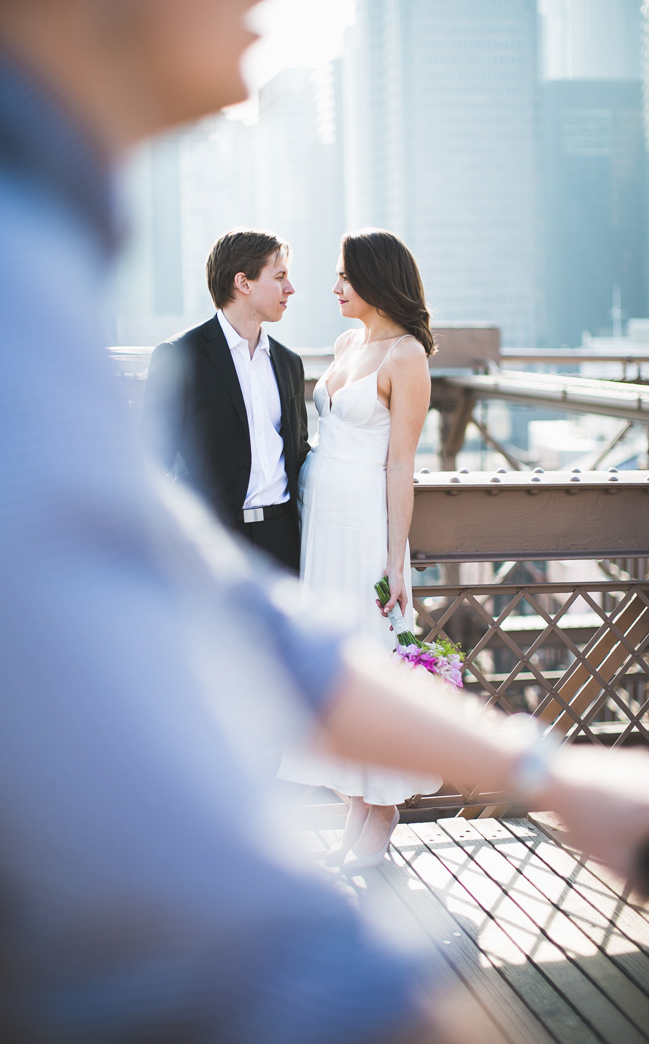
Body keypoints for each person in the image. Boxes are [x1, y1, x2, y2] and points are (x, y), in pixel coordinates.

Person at [0, 0, 649, 1042]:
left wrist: (545, 772)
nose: (265, 1)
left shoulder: (39, 237)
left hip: (312, 542)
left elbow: (240, 614)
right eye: (289, 273)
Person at [279, 229, 440, 867]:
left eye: (345, 276)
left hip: (365, 531)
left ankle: (383, 809)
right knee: (333, 658)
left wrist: (394, 560)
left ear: (375, 280)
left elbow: (401, 466)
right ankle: (353, 801)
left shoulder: (408, 356)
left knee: (368, 659)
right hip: (320, 521)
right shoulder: (348, 342)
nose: (335, 287)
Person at [141, 229, 308, 572]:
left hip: (283, 540)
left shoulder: (289, 363)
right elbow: (152, 460)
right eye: (279, 277)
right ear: (243, 283)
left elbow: (298, 452)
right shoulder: (180, 356)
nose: (290, 289)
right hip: (211, 544)